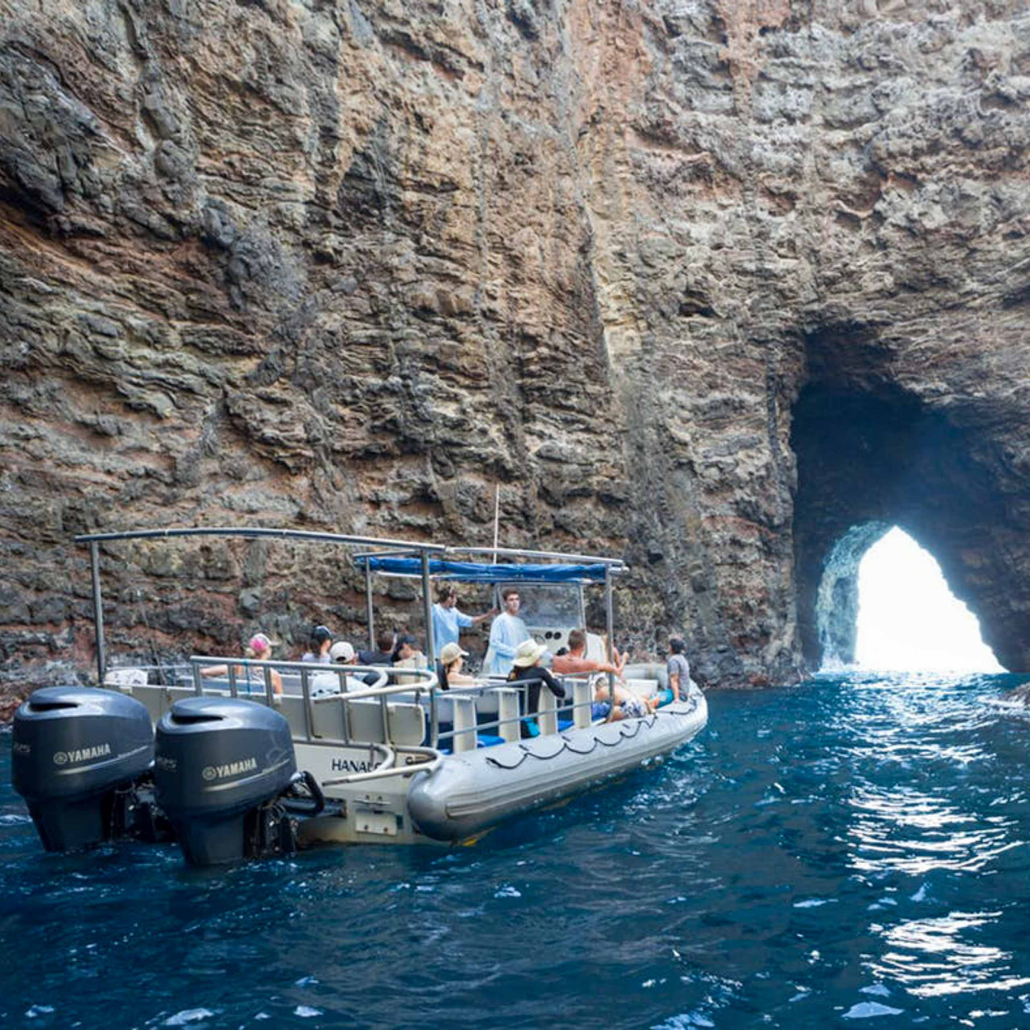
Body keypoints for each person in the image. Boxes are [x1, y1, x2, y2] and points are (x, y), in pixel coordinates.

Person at [506, 639, 565, 738]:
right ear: (535, 658)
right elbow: (561, 692)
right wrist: (551, 676)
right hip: (529, 724)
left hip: (511, 724)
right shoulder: (540, 672)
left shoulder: (512, 674)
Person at [200, 632, 283, 697]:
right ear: (268, 651)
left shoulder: (238, 667)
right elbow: (281, 701)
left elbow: (203, 672)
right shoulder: (272, 674)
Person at [432, 584, 497, 652]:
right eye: (455, 598)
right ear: (449, 598)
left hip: (451, 652)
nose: (456, 600)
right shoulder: (435, 610)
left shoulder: (454, 612)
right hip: (438, 652)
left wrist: (488, 615)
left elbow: (471, 621)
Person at [486, 587, 531, 678]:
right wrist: (515, 652)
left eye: (517, 599)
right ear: (505, 603)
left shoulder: (520, 622)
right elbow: (495, 643)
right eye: (511, 600)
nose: (515, 603)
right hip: (502, 668)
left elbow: (529, 643)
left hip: (517, 667)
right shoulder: (500, 620)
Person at [667, 636, 691, 702]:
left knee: (651, 701)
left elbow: (674, 679)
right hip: (684, 693)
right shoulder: (682, 658)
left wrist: (676, 698)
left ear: (672, 647)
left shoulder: (673, 660)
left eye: (669, 645)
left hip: (679, 695)